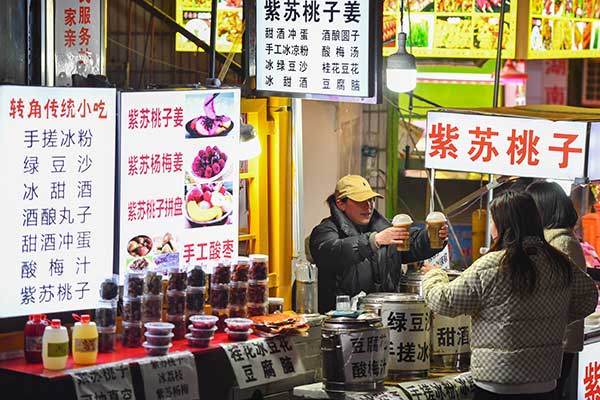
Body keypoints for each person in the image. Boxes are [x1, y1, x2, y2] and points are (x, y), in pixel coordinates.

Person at [422, 191, 598, 400]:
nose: (490, 226)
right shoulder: (558, 263)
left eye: (492, 220)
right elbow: (589, 298)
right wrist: (556, 317)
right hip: (545, 383)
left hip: (497, 383)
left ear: (503, 224)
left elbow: (445, 301)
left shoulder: (493, 264)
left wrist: (434, 275)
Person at [309, 175, 448, 313]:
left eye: (371, 200)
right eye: (360, 201)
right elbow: (333, 251)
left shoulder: (384, 228)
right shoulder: (324, 231)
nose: (368, 206)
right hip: (345, 319)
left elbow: (412, 242)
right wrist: (373, 241)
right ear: (341, 203)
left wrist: (429, 238)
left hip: (387, 315)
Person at [526, 181, 587, 399]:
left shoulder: (560, 244)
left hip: (558, 342)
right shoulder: (555, 240)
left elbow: (549, 294)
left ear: (542, 208)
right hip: (555, 340)